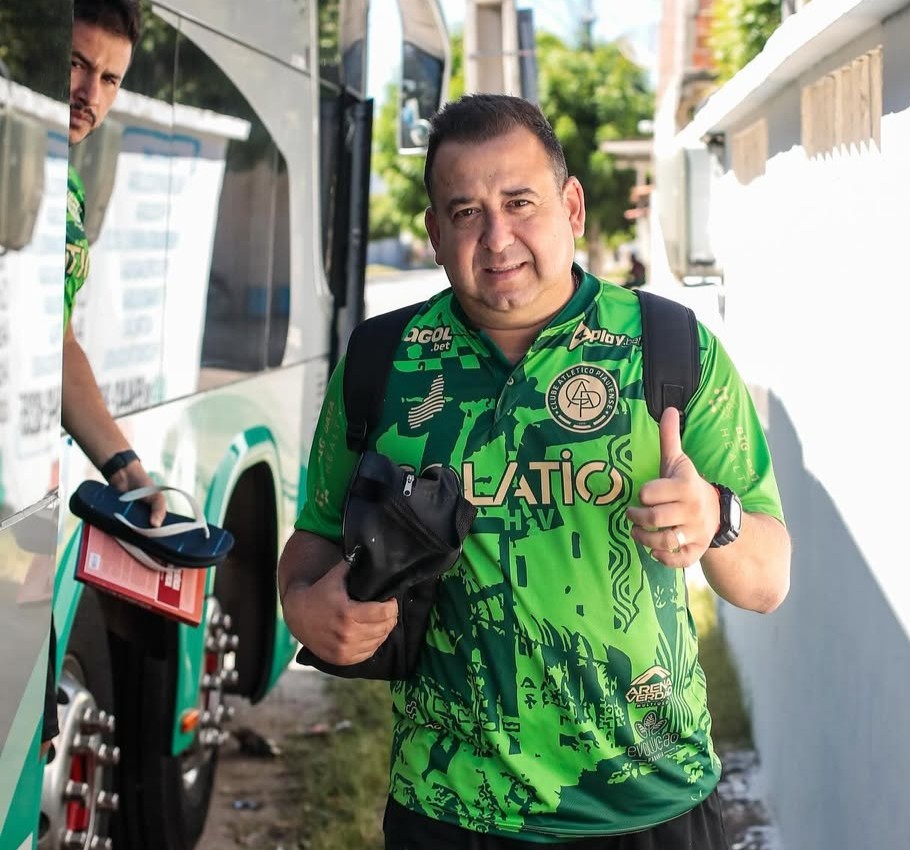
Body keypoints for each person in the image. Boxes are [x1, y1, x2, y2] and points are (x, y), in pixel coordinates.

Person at [278, 94, 791, 848]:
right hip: (450, 810)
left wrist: (717, 516)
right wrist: (305, 609)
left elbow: (767, 582)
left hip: (651, 804)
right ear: (433, 233)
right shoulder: (383, 362)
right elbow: (312, 543)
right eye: (466, 212)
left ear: (571, 207)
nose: (497, 238)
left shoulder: (671, 348)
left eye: (520, 203)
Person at [42, 0, 164, 759]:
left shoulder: (66, 186)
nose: (90, 93)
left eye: (111, 78)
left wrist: (127, 472)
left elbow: (53, 344)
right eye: (75, 65)